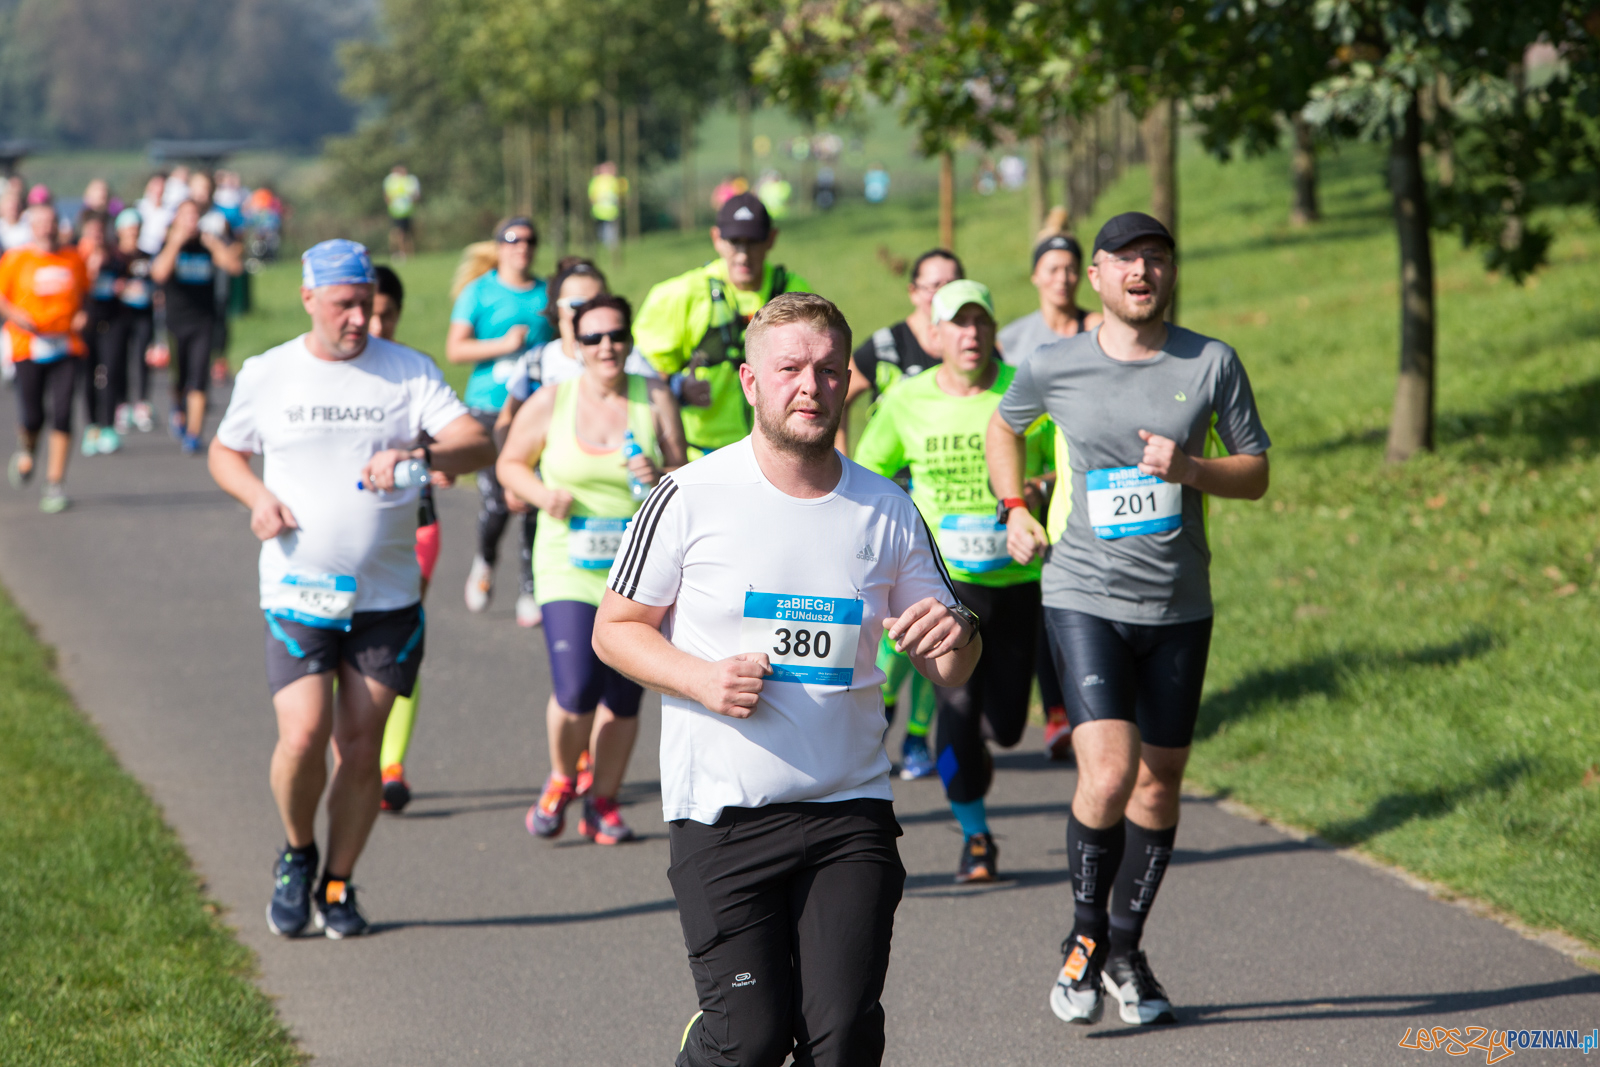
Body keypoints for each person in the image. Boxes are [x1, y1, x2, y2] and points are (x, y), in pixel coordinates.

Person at [592, 292, 982, 1067]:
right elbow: (616, 629)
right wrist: (702, 679)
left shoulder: (886, 507)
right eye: (791, 369)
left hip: (849, 812)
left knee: (842, 1044)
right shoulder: (688, 496)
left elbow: (951, 661)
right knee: (752, 1038)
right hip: (724, 815)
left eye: (830, 370)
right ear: (749, 381)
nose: (812, 386)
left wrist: (960, 632)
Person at [987, 212, 1272, 1027]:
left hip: (1180, 602)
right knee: (1109, 770)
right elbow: (1002, 426)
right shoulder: (1053, 364)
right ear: (1098, 277)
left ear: (1169, 274)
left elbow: (1253, 473)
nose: (1143, 273)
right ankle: (1082, 941)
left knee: (1160, 778)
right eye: (1126, 261)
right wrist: (1014, 506)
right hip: (1083, 591)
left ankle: (1126, 945)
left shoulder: (1211, 361)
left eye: (1157, 259)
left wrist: (1190, 468)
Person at [208, 240, 494, 940]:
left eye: (366, 303)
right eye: (344, 304)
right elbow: (226, 449)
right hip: (298, 588)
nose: (359, 318)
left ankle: (337, 881)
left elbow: (476, 443)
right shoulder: (269, 372)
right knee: (303, 735)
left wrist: (419, 454)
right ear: (309, 299)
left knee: (361, 748)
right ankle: (297, 852)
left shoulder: (407, 372)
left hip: (387, 597)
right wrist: (256, 496)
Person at [855, 279, 1052, 883]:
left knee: (1006, 726)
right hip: (944, 582)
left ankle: (973, 765)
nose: (971, 334)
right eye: (957, 324)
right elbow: (869, 474)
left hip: (1017, 579)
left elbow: (1059, 468)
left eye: (980, 322)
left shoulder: (1027, 388)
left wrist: (1037, 495)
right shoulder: (907, 400)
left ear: (993, 330)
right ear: (935, 335)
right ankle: (975, 835)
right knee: (957, 708)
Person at [497, 294, 687, 845]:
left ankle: (603, 801)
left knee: (626, 694)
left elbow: (683, 466)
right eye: (594, 338)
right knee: (577, 685)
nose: (607, 346)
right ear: (575, 346)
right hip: (567, 566)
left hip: (638, 569)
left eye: (617, 336)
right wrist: (541, 494)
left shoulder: (652, 397)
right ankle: (563, 775)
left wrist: (660, 469)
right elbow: (509, 462)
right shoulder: (551, 401)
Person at [997, 221, 1105, 761]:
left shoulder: (1102, 327)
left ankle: (1093, 705)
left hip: (1094, 477)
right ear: (1035, 275)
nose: (1061, 278)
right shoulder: (1012, 338)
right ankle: (1059, 712)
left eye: (1070, 268)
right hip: (1038, 483)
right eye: (1052, 268)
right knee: (1045, 601)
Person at [633, 192, 811, 458]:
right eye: (734, 242)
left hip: (778, 456)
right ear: (716, 238)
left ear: (771, 239)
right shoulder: (681, 294)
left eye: (753, 241)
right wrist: (679, 389)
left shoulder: (794, 292)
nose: (743, 254)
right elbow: (638, 377)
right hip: (700, 455)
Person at [446, 217, 555, 626]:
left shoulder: (545, 293)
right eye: (512, 240)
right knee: (496, 502)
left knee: (531, 502)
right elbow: (455, 349)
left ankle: (530, 587)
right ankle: (485, 561)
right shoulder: (479, 292)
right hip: (488, 407)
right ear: (499, 246)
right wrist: (502, 345)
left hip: (536, 410)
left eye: (529, 239)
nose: (521, 246)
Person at [367, 264, 445, 813]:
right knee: (340, 635)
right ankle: (353, 747)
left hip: (415, 526)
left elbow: (455, 443)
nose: (375, 323)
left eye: (386, 314)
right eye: (366, 311)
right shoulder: (322, 376)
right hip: (343, 538)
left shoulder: (415, 374)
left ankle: (390, 763)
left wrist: (441, 461)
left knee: (398, 639)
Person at [0, 202, 89, 512]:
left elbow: (85, 294)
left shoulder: (73, 258)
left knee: (63, 412)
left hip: (65, 345)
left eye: (51, 222)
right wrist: (14, 313)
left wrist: (82, 315)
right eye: (40, 223)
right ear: (32, 227)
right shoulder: (16, 259)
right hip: (28, 345)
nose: (47, 228)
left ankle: (55, 482)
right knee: (33, 414)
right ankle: (27, 448)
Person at [151, 192, 243, 453]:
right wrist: (174, 243)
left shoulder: (208, 244)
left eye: (195, 216)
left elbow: (234, 268)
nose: (192, 221)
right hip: (175, 321)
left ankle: (193, 433)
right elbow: (158, 273)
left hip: (203, 320)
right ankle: (178, 406)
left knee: (199, 376)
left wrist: (216, 247)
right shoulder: (169, 243)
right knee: (179, 378)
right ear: (177, 219)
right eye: (186, 216)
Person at [78, 213, 126, 455]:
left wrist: (123, 286)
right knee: (88, 374)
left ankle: (109, 426)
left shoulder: (116, 256)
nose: (97, 236)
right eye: (92, 231)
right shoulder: (76, 257)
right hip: (87, 321)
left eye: (100, 231)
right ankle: (92, 426)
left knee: (110, 371)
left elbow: (128, 280)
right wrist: (90, 270)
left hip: (112, 320)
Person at [111, 209, 157, 434]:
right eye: (129, 229)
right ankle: (122, 405)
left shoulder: (146, 256)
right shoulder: (113, 257)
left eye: (136, 229)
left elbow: (155, 282)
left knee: (141, 358)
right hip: (120, 315)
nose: (132, 234)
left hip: (143, 314)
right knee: (119, 358)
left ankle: (142, 403)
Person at [384, 165, 420, 260]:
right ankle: (401, 253)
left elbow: (414, 195)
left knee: (407, 233)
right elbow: (387, 196)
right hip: (397, 211)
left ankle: (408, 254)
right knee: (399, 233)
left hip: (406, 211)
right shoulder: (391, 181)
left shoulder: (408, 181)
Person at [588, 162, 625, 251]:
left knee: (607, 228)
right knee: (606, 228)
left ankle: (609, 244)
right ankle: (609, 244)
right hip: (604, 210)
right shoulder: (607, 180)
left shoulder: (599, 180)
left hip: (606, 210)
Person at [135, 173, 173, 256]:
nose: (158, 190)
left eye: (161, 186)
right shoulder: (138, 207)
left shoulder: (170, 212)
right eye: (156, 185)